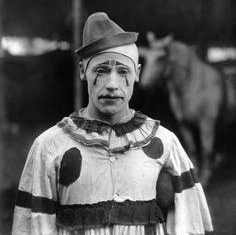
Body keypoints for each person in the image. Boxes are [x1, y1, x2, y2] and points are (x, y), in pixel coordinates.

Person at [12, 12, 213, 235]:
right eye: (101, 70)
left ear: (137, 73)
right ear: (82, 71)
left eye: (123, 71)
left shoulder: (165, 143)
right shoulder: (49, 146)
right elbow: (33, 227)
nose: (112, 84)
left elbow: (188, 224)